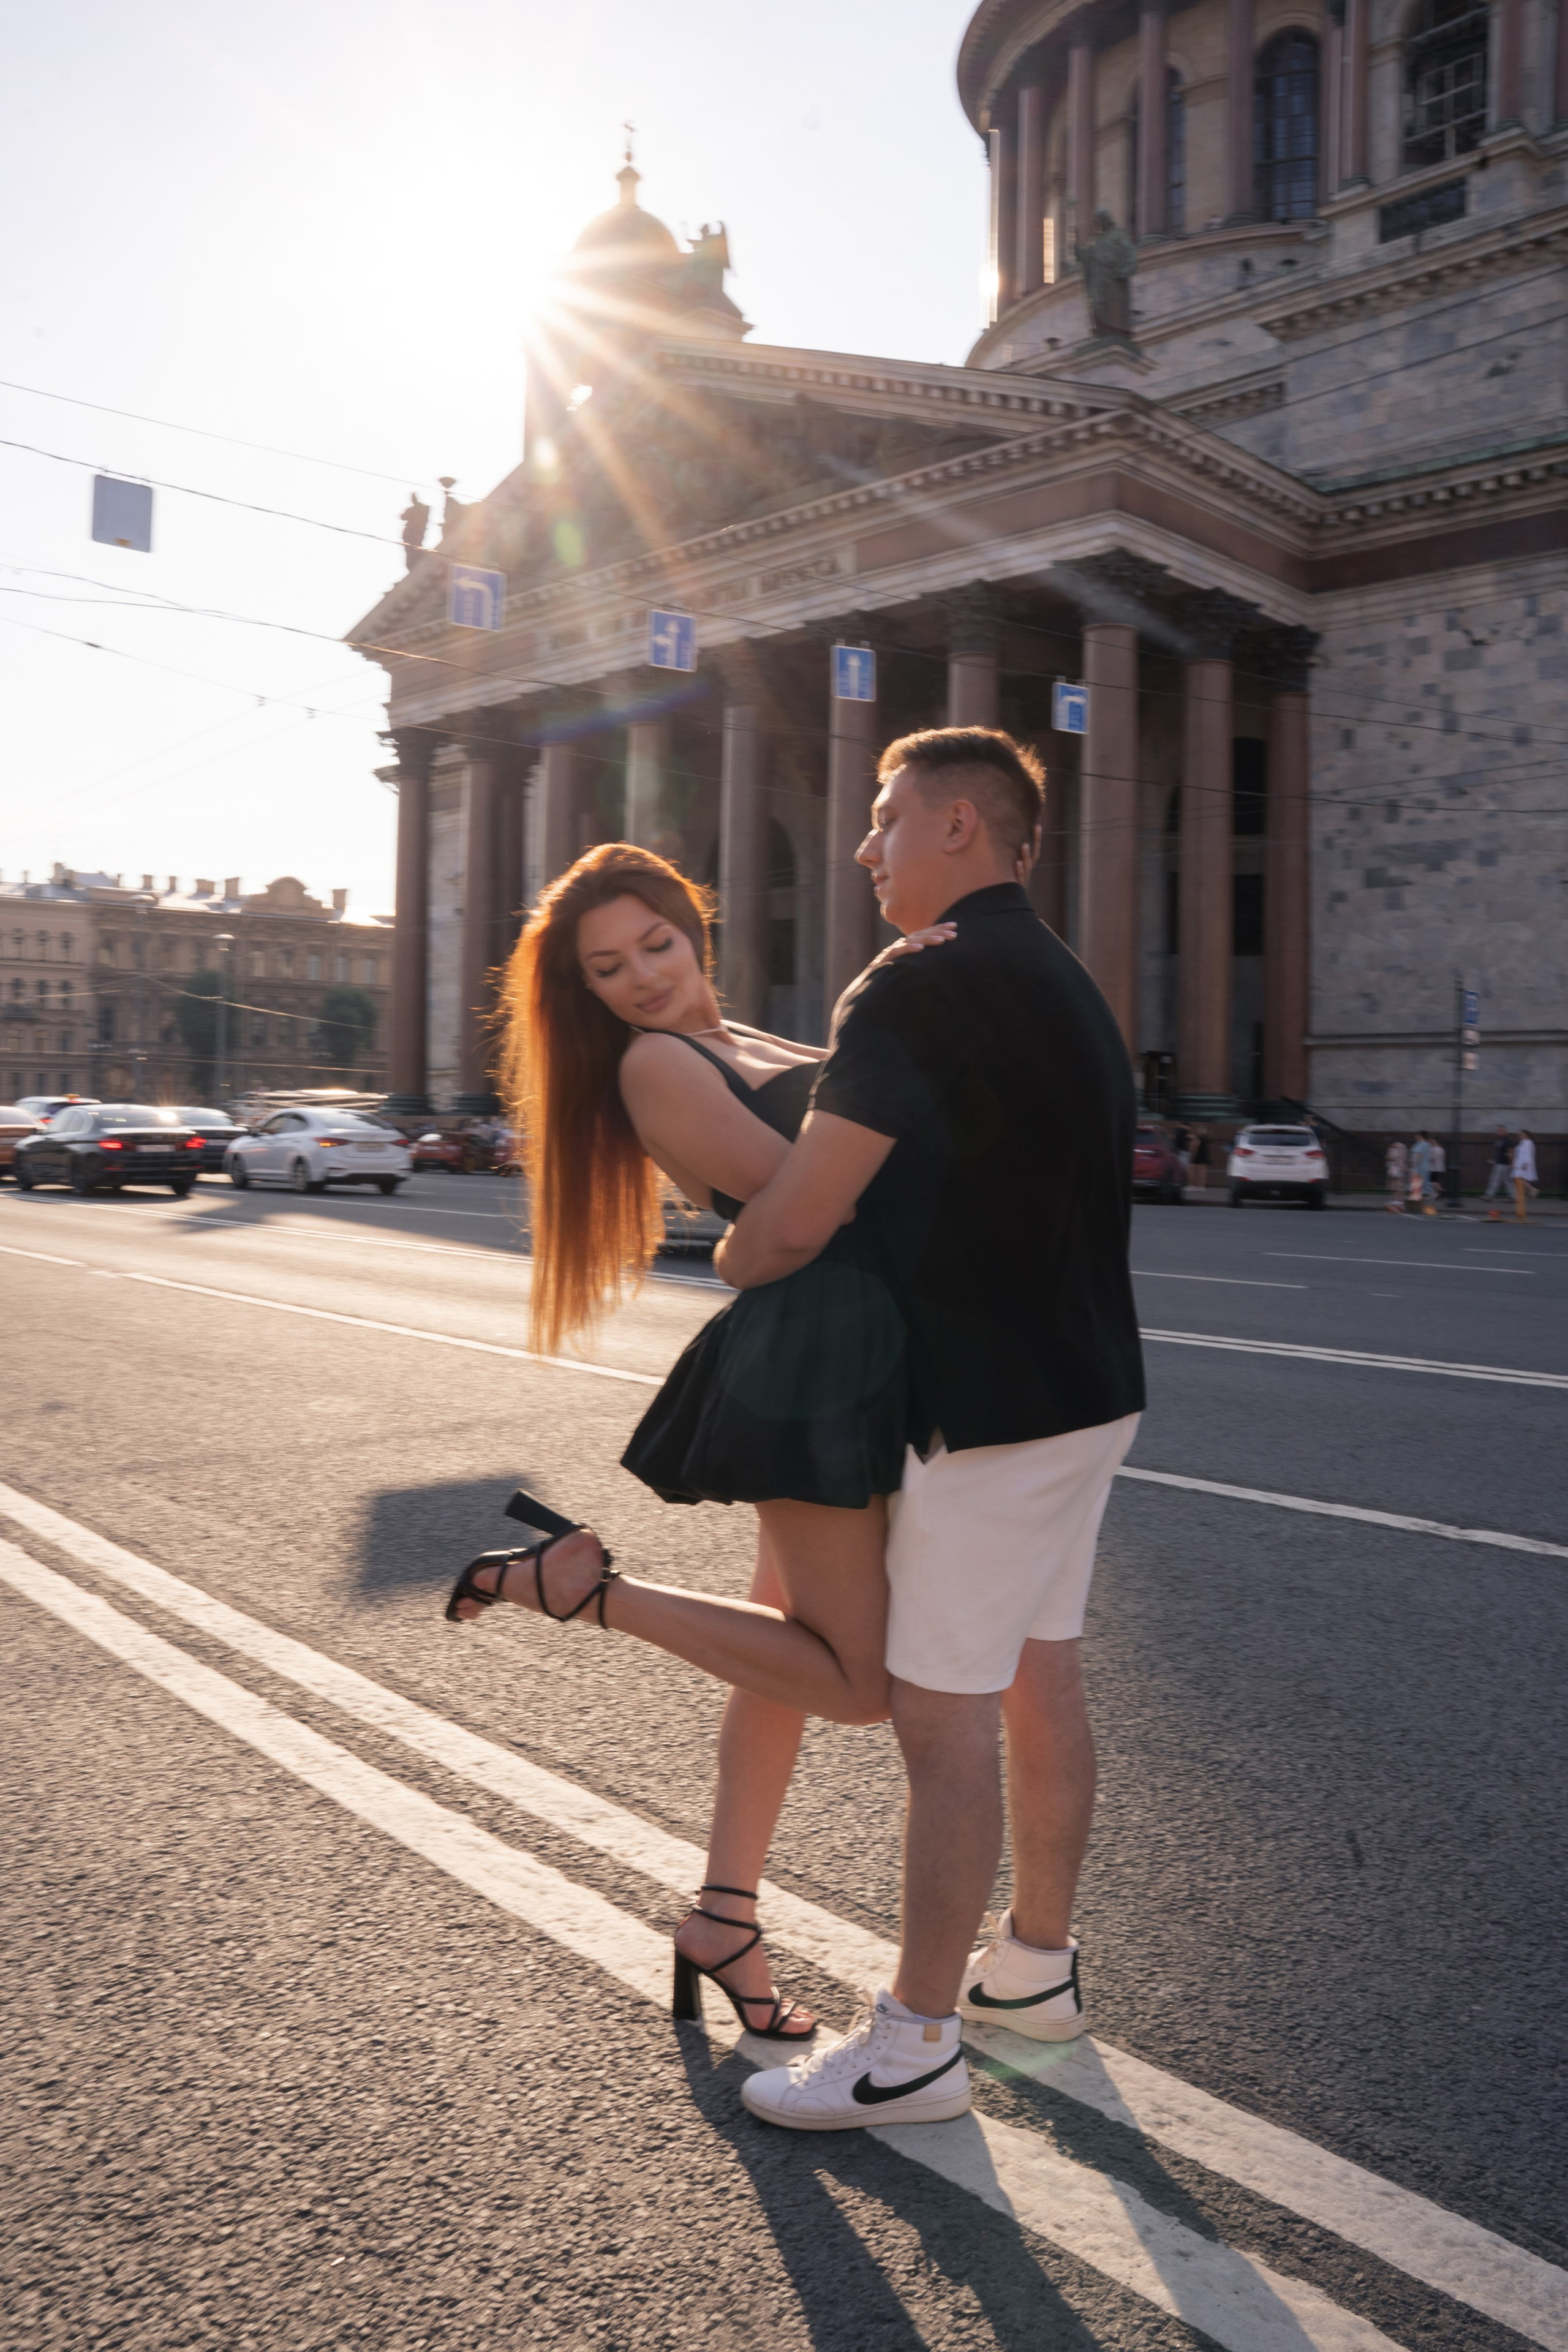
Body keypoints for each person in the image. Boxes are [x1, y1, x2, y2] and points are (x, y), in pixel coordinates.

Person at [447, 841, 951, 2043]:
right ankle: (577, 1592)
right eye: (609, 968)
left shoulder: (756, 1040)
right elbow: (809, 1205)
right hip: (819, 1358)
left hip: (859, 1349)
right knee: (857, 1682)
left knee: (772, 1655)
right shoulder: (655, 1066)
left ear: (695, 928)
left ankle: (722, 1917)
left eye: (656, 946)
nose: (641, 978)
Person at [722, 728, 1144, 2130]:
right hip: (1086, 1392)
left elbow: (800, 1210)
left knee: (940, 1709)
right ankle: (1031, 1974)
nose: (865, 847)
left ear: (960, 828)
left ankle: (912, 2044)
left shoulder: (914, 982)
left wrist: (732, 1251)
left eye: (887, 819)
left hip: (974, 1407)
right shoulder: (1066, 983)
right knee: (1039, 1673)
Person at [1484, 1126, 1514, 1220]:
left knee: (1495, 1179)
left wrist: (1511, 1163)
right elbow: (1498, 1152)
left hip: (1503, 1164)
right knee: (1507, 1181)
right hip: (1499, 1162)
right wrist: (1493, 1159)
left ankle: (1489, 1195)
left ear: (1505, 1132)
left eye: (1501, 1131)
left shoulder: (1507, 1141)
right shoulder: (1499, 1141)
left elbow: (1510, 1152)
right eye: (1498, 1131)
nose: (1499, 1132)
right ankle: (1514, 1196)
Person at [1511, 1128, 1537, 1222]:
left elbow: (1527, 1156)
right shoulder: (1524, 1143)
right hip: (1519, 1166)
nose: (1520, 1137)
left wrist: (1524, 1166)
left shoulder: (1528, 1143)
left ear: (1526, 1135)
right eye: (1519, 1135)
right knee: (1518, 1186)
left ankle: (1531, 1190)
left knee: (1519, 1186)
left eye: (1522, 1135)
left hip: (1522, 1167)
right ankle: (1529, 1191)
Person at [1408, 1132, 1431, 1213]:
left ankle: (1416, 1207)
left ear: (1420, 1136)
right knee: (1420, 1188)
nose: (1416, 1137)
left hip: (1419, 1167)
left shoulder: (1421, 1144)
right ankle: (1419, 1206)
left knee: (1416, 1188)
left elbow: (1418, 1155)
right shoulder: (1428, 1145)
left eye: (1417, 1135)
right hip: (1425, 1167)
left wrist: (1414, 1167)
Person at [1384, 1136, 1408, 1212]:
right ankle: (1394, 1200)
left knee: (1400, 1186)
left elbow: (1402, 1158)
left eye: (1392, 1145)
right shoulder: (1392, 1149)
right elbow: (1390, 1157)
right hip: (1393, 1168)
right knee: (1394, 1186)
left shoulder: (1402, 1147)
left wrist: (1393, 1159)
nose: (1391, 1147)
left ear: (1393, 1143)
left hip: (1400, 1168)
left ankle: (1400, 1201)